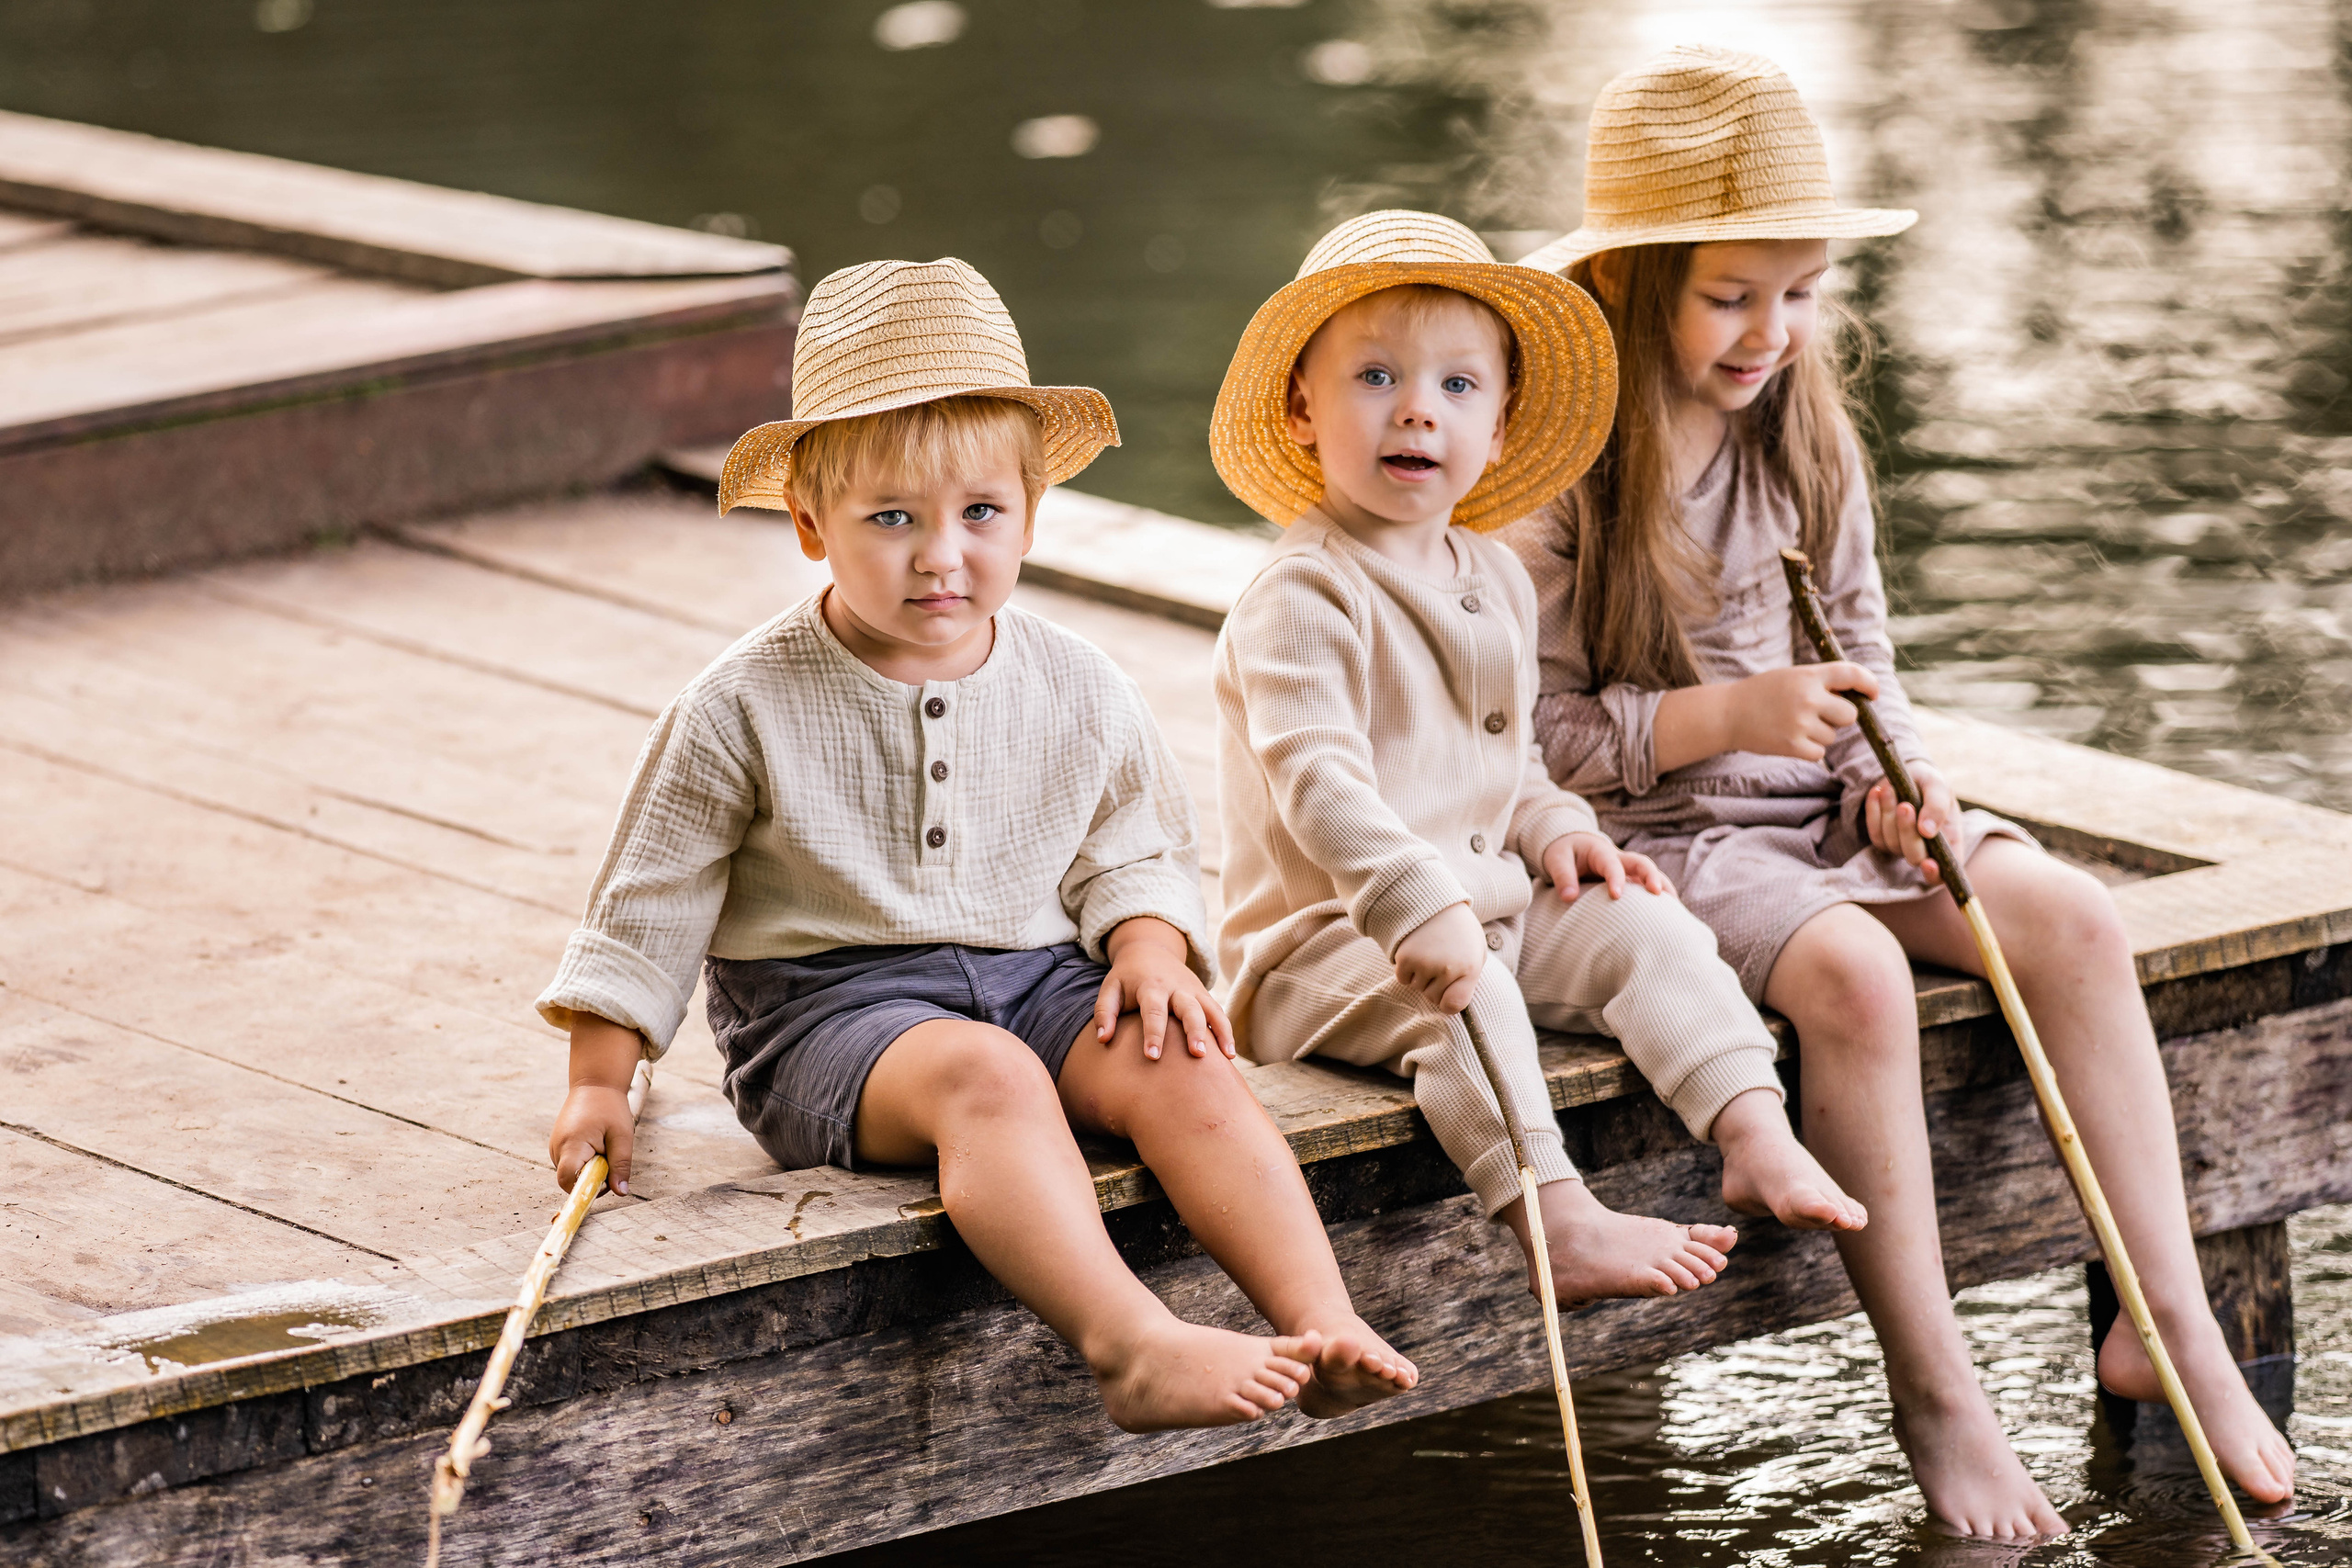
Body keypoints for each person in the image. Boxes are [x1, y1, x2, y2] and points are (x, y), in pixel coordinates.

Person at [1508, 44, 2296, 1538]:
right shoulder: (1554, 475)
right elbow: (1508, 739)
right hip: (1653, 838)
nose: (1773, 331)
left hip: (1813, 811)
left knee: (2069, 915)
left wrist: (1898, 780)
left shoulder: (1801, 428)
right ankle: (1937, 1392)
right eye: (1733, 294)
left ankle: (2166, 1311)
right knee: (1857, 974)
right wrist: (1716, 716)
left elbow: (1860, 648)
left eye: (1798, 293)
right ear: (1629, 281)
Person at [537, 257, 1418, 1433]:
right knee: (987, 1076)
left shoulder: (1075, 681)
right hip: (829, 1016)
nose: (940, 556)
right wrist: (602, 1081)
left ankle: (1323, 1318)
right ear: (809, 522)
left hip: (1039, 975)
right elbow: (650, 900)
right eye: (891, 518)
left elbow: (1134, 845)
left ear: (1031, 514)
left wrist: (1150, 948)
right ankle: (1132, 1342)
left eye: (980, 515)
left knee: (1183, 1057)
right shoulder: (740, 704)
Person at [1208, 210, 1864, 1312]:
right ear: (1301, 408)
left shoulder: (1493, 578)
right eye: (1376, 377)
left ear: (1501, 428)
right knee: (1467, 1001)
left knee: (1649, 926)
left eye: (1458, 387)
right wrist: (1416, 906)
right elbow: (1318, 781)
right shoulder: (1301, 594)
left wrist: (1561, 831)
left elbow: (1505, 760)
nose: (1419, 407)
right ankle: (1552, 1216)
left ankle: (1753, 1129)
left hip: (1489, 905)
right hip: (1332, 943)